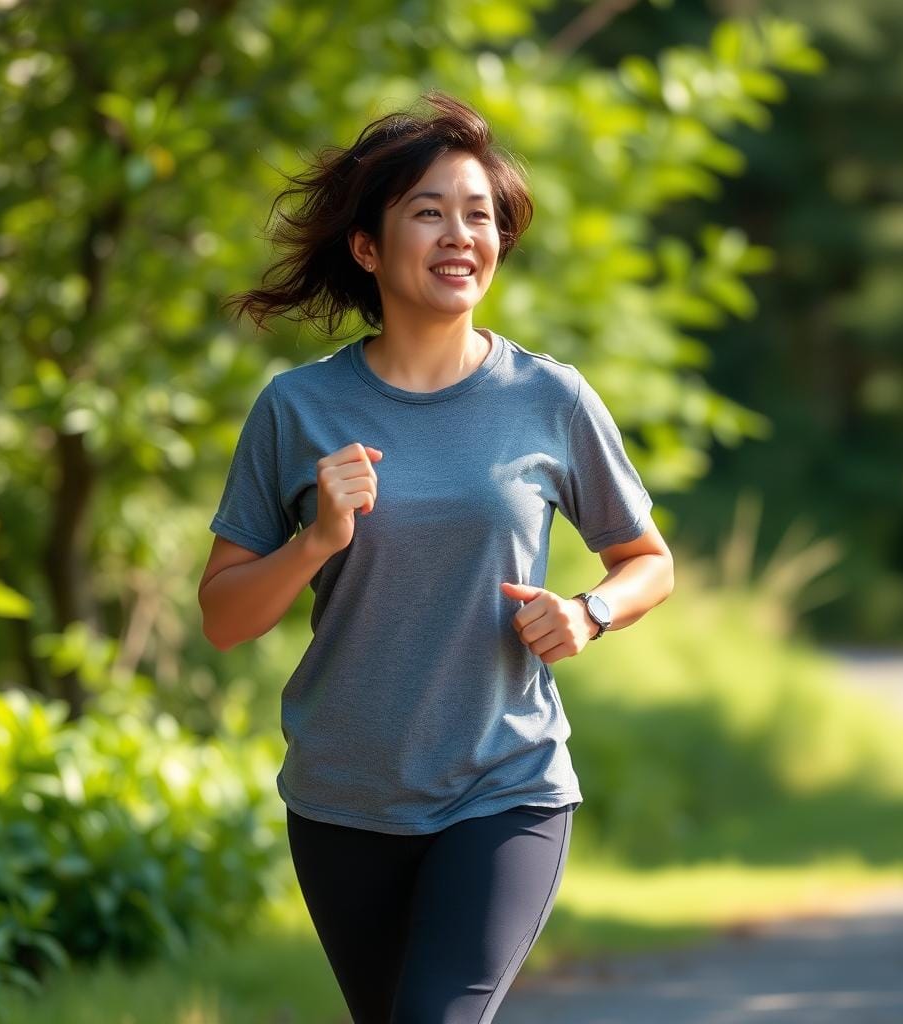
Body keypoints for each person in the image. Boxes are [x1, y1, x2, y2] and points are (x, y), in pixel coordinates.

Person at [198, 91, 674, 1024]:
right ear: (367, 248)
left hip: (504, 786)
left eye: (479, 215)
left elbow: (647, 559)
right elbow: (223, 618)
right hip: (344, 800)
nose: (461, 235)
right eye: (429, 211)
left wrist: (588, 612)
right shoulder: (296, 412)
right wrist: (316, 541)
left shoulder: (550, 398)